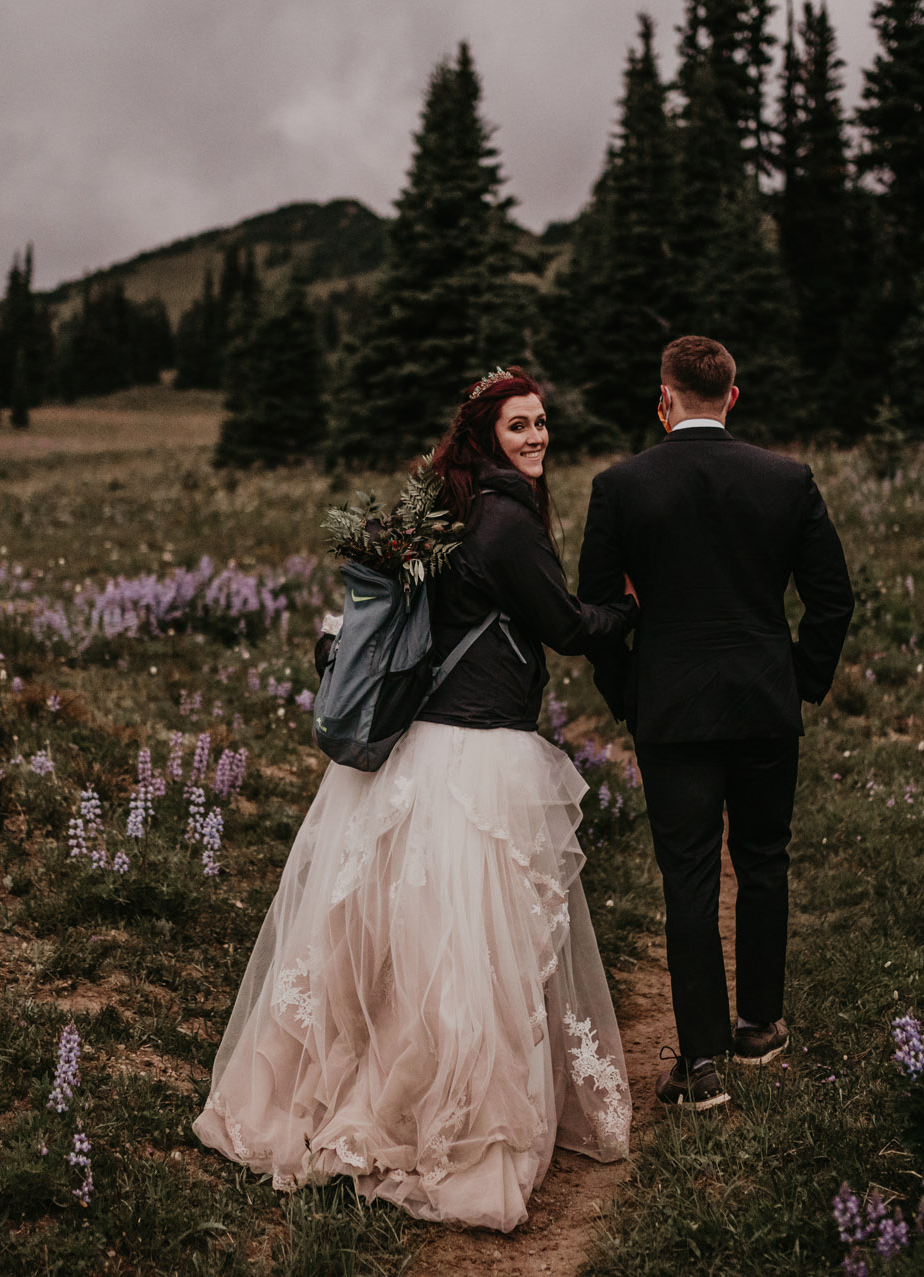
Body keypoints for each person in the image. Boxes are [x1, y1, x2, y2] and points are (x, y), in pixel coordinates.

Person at [194, 367, 638, 1232]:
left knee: (409, 945)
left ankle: (361, 1099)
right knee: (471, 955)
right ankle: (451, 1129)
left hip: (419, 747)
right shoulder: (507, 520)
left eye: (543, 423)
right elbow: (567, 628)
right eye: (520, 426)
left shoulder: (442, 508)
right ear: (485, 434)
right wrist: (627, 607)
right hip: (476, 753)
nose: (539, 437)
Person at [578, 335, 855, 1110]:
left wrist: (630, 691)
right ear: (732, 396)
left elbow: (599, 612)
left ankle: (699, 1065)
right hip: (766, 703)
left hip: (672, 711)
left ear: (662, 398)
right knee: (765, 859)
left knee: (690, 876)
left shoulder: (620, 485)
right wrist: (799, 679)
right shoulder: (786, 478)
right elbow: (833, 599)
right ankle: (760, 1024)